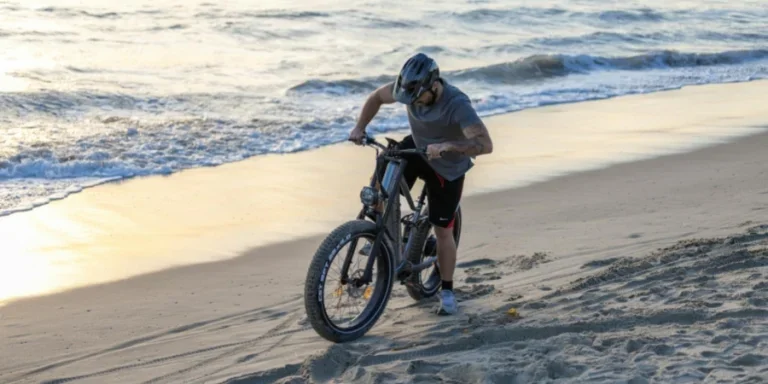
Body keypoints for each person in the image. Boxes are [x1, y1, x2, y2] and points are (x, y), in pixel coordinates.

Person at [348, 52, 494, 315]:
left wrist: (447, 145)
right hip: (419, 149)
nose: (412, 103)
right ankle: (389, 237)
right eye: (408, 99)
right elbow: (377, 97)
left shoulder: (457, 104)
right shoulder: (406, 90)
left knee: (442, 231)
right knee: (386, 163)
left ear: (433, 85)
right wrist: (360, 127)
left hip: (447, 167)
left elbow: (485, 145)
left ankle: (447, 290)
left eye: (417, 98)